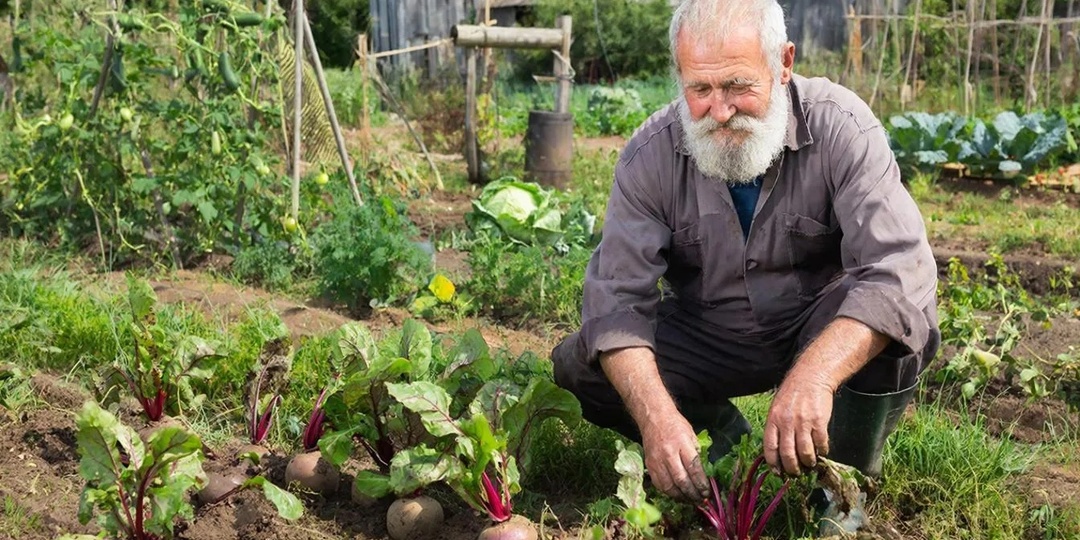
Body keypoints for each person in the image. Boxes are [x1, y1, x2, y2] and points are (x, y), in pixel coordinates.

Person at [550, 0, 940, 531]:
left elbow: (899, 270)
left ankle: (844, 489)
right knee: (583, 365)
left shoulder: (840, 126)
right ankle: (721, 448)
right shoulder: (649, 157)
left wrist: (816, 377)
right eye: (700, 90)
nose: (719, 111)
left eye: (737, 86)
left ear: (782, 63)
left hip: (818, 325)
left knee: (897, 323)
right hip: (714, 335)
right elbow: (616, 302)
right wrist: (656, 417)